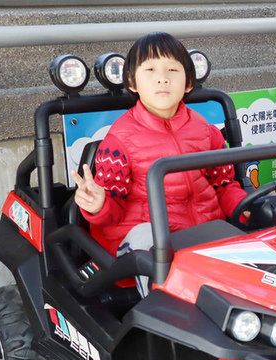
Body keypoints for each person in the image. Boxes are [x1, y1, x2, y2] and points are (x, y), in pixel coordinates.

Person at [72, 32, 247, 294]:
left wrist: (245, 206)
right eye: (150, 69)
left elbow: (224, 185)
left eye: (172, 70)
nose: (162, 78)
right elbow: (112, 212)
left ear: (188, 82)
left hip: (204, 232)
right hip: (146, 241)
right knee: (153, 247)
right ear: (132, 81)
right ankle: (164, 308)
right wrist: (98, 205)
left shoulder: (205, 131)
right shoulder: (119, 142)